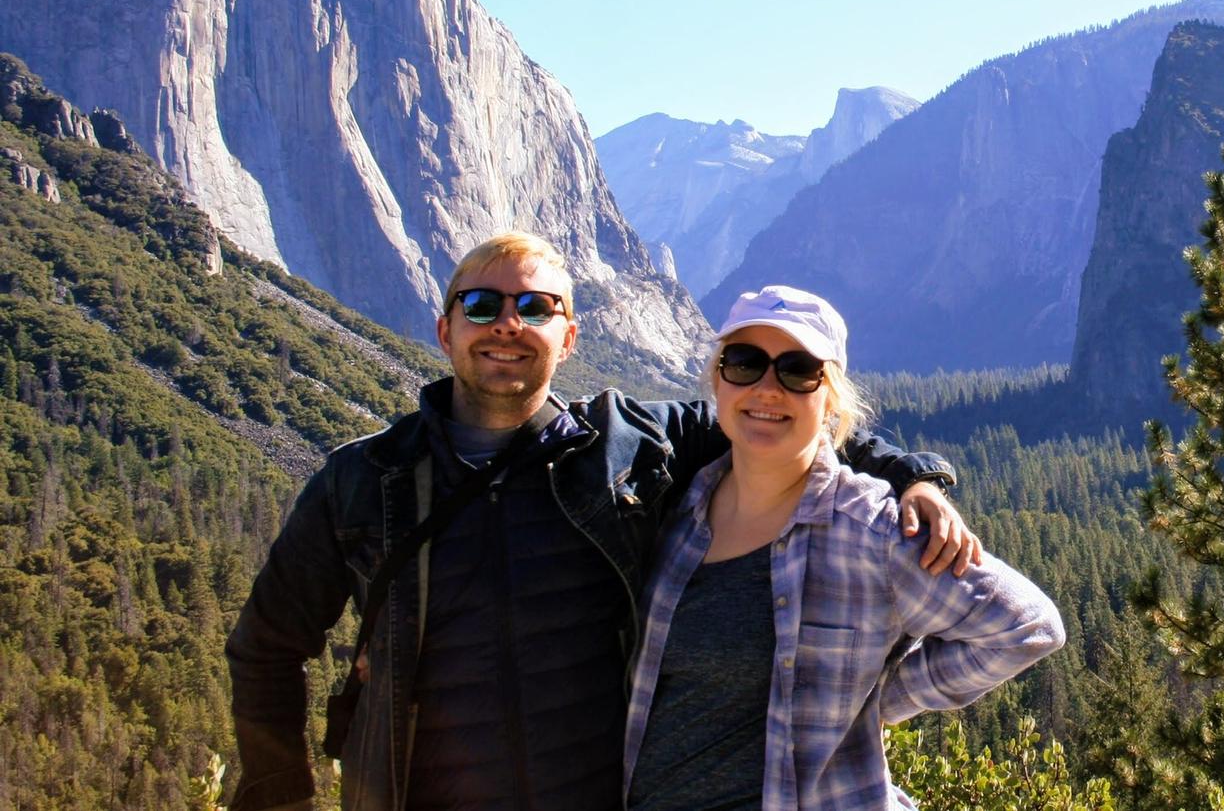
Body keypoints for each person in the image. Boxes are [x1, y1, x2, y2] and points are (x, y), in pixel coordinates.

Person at [226, 233, 974, 811]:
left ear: (569, 337)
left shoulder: (629, 446)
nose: (507, 325)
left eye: (535, 308)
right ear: (445, 329)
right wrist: (279, 795)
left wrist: (916, 479)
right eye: (482, 306)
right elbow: (267, 648)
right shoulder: (363, 481)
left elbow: (783, 416)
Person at [623, 285, 1063, 811]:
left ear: (830, 397)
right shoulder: (673, 508)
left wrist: (872, 700)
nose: (767, 388)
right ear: (718, 379)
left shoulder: (872, 529)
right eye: (744, 363)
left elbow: (1028, 626)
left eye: (798, 371)